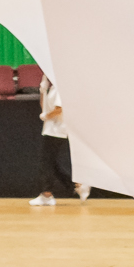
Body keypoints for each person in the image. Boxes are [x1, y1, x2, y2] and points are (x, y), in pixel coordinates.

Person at [34, 73, 85, 204]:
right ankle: (77, 185)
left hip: (57, 130)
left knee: (46, 163)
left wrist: (47, 116)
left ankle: (47, 195)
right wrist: (42, 91)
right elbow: (44, 108)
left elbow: (59, 109)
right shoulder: (51, 89)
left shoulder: (59, 89)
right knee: (51, 163)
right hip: (49, 129)